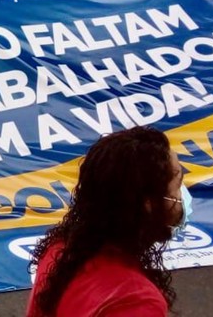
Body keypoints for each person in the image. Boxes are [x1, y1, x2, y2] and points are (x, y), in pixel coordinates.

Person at [26, 127, 189, 317]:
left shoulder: (60, 249)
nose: (183, 194)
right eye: (178, 185)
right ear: (148, 204)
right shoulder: (137, 302)